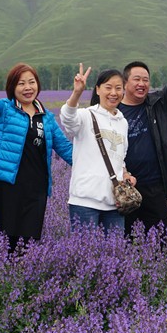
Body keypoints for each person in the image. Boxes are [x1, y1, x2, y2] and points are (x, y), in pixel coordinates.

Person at [0, 45, 73, 254]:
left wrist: (95, 164)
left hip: (36, 189)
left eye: (31, 82)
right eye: (21, 83)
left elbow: (65, 148)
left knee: (29, 242)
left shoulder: (46, 118)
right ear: (12, 87)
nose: (28, 87)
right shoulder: (4, 110)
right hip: (7, 185)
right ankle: (2, 273)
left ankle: (22, 272)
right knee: (5, 241)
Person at [120, 26, 167, 237]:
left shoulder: (159, 105)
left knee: (158, 242)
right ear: (125, 83)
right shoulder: (113, 112)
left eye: (146, 79)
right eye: (136, 79)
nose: (142, 84)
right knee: (124, 243)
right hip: (124, 188)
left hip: (156, 187)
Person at [61, 66, 136, 233]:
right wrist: (77, 93)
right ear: (98, 90)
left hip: (115, 203)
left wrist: (125, 175)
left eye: (118, 88)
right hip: (85, 201)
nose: (113, 93)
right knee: (84, 249)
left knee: (115, 249)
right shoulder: (86, 115)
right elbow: (67, 119)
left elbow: (120, 157)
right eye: (108, 87)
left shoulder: (122, 122)